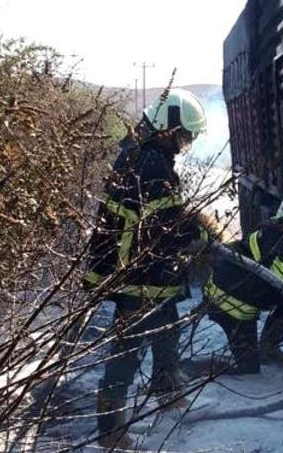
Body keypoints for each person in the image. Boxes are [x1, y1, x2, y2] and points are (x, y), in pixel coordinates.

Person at [82, 88, 208, 449]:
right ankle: (111, 432)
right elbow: (165, 225)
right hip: (136, 274)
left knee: (167, 330)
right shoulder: (149, 164)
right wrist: (198, 233)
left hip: (151, 271)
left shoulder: (145, 154)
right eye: (184, 135)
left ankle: (168, 395)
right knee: (127, 350)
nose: (186, 144)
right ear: (167, 128)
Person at [201, 192, 283, 375]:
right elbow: (280, 283)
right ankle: (194, 368)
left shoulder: (275, 230)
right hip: (230, 306)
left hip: (230, 296)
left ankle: (268, 349)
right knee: (248, 368)